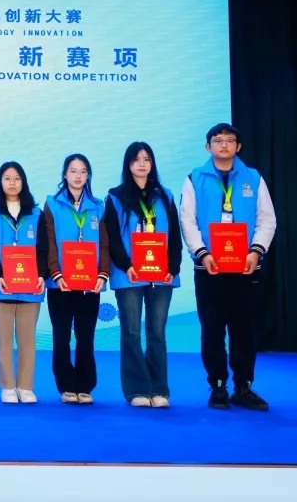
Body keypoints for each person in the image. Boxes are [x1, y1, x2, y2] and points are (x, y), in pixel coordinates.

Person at [180, 123, 277, 411]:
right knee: (212, 329)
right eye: (218, 140)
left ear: (238, 146)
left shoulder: (254, 178)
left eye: (230, 140)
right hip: (209, 268)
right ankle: (218, 386)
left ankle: (243, 387)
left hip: (245, 268)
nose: (224, 145)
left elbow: (267, 219)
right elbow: (187, 221)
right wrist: (202, 253)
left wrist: (256, 251)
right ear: (207, 146)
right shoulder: (194, 178)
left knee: (244, 329)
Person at [103, 142, 182, 408]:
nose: (142, 164)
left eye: (147, 159)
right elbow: (112, 237)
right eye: (136, 159)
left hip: (162, 275)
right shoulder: (115, 197)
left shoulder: (165, 196)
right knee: (132, 332)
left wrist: (173, 268)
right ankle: (137, 389)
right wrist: (126, 265)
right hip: (130, 275)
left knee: (157, 332)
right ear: (128, 164)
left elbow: (175, 236)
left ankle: (159, 389)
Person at [41, 153, 110, 404]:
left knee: (85, 335)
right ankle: (66, 386)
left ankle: (85, 385)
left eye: (83, 171)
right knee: (61, 336)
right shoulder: (52, 204)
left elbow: (105, 242)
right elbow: (49, 241)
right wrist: (55, 272)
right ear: (64, 174)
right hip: (60, 283)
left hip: (90, 284)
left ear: (88, 175)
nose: (78, 176)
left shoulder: (98, 206)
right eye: (73, 171)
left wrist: (103, 273)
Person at [0, 162, 47, 404]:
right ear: (0, 182)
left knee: (28, 339)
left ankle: (26, 386)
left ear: (23, 182)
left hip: (31, 286)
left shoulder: (36, 214)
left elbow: (43, 249)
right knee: (4, 339)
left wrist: (42, 275)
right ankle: (8, 385)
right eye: (7, 178)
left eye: (17, 178)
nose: (12, 183)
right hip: (1, 285)